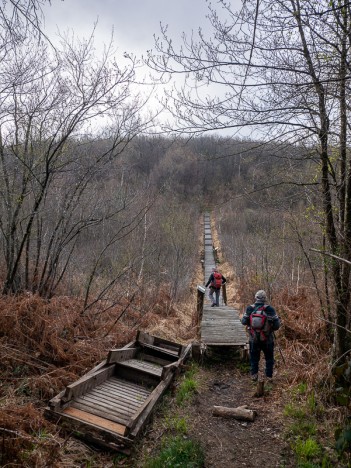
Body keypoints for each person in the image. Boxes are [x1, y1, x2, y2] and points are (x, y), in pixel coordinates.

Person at [241, 290, 281, 381]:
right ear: (265, 299)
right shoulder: (270, 309)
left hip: (253, 338)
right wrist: (269, 328)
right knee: (269, 358)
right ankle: (269, 376)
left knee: (254, 357)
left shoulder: (250, 308)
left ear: (256, 298)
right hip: (267, 339)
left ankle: (254, 375)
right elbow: (277, 326)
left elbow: (243, 322)